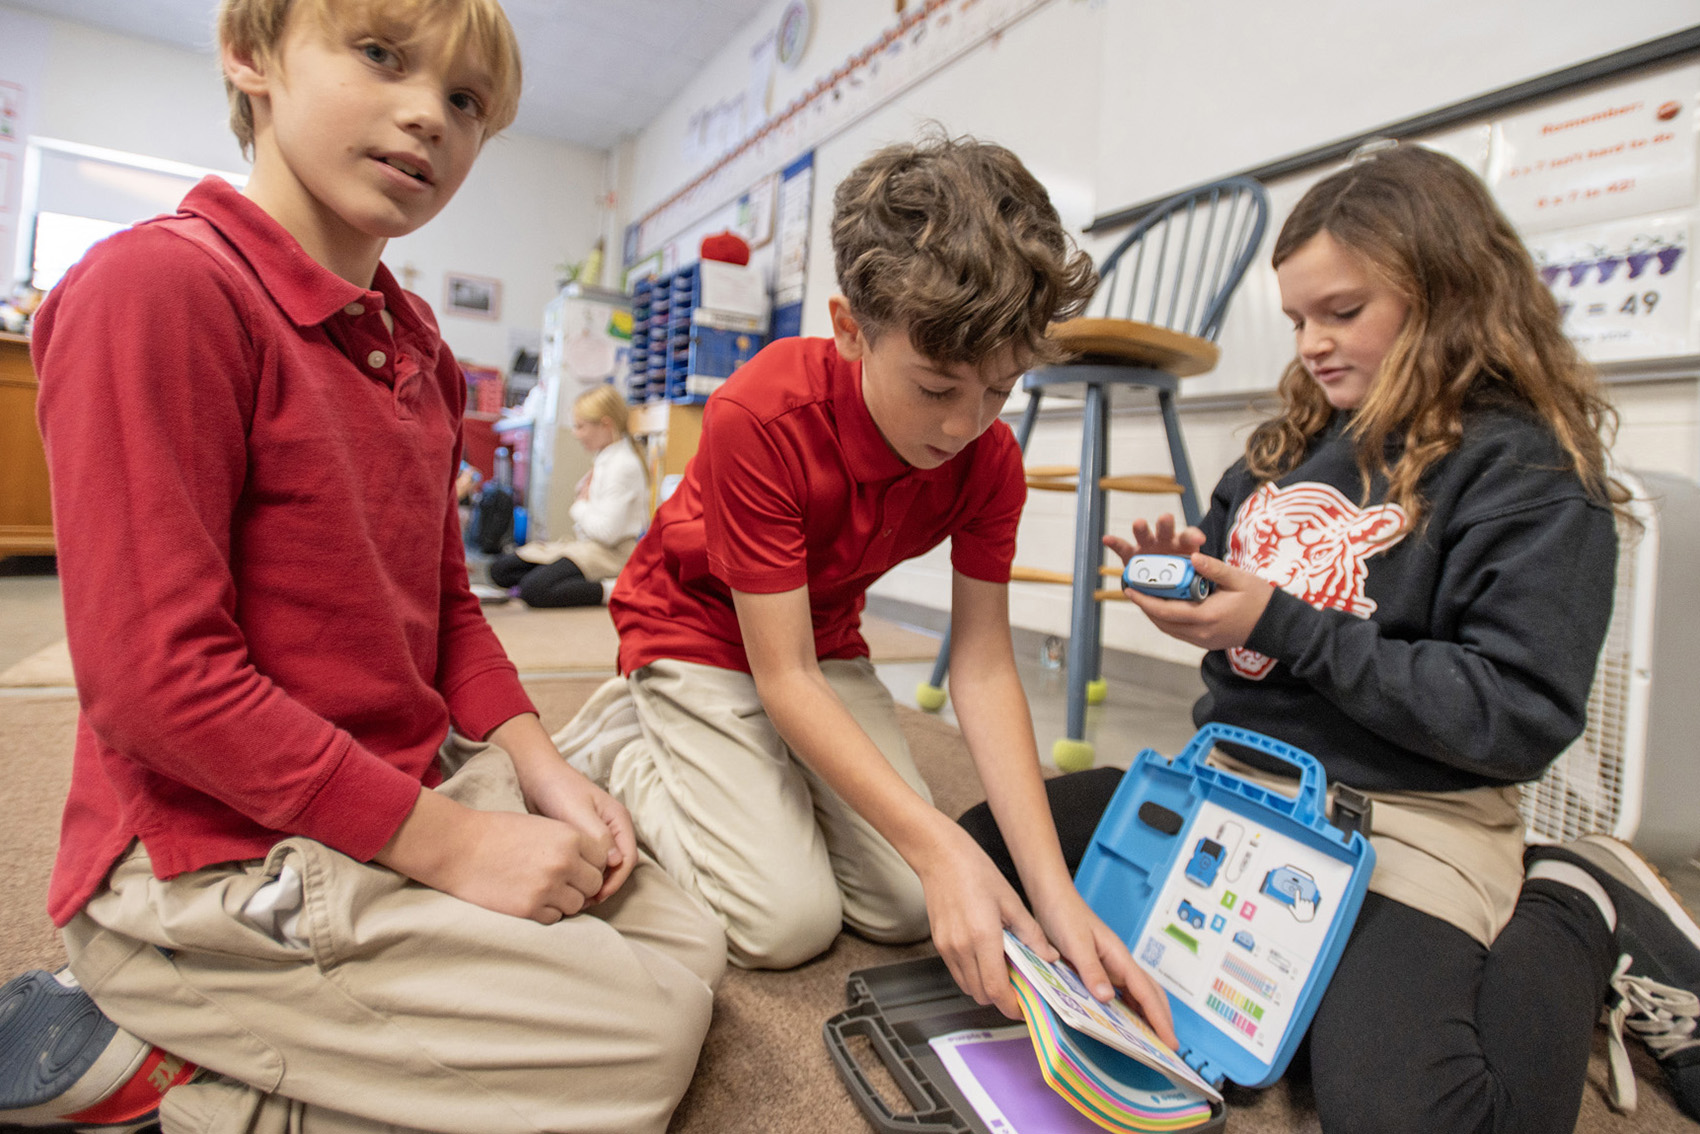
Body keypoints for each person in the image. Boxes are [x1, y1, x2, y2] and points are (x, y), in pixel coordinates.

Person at [0, 2, 724, 1132]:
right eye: (381, 57)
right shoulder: (160, 289)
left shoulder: (419, 348)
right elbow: (155, 683)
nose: (427, 113)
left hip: (388, 781)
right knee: (643, 1045)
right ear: (251, 57)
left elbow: (444, 608)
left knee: (687, 944)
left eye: (467, 101)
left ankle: (316, 1033)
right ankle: (169, 1062)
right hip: (209, 850)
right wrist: (458, 848)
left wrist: (536, 768)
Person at [960, 143, 1700, 1131]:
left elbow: (1513, 716)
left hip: (1402, 818)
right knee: (978, 866)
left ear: (1447, 298)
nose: (1310, 342)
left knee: (1424, 1116)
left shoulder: (1524, 475)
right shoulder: (1282, 451)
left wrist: (1278, 619)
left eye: (1340, 313)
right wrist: (1202, 587)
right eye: (1298, 318)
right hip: (1235, 787)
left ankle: (1574, 897)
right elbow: (1257, 648)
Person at [554, 133, 1177, 1040]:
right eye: (936, 388)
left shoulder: (987, 459)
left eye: (998, 392)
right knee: (783, 921)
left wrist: (1057, 901)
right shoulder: (760, 414)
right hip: (698, 629)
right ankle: (631, 747)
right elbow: (783, 678)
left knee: (904, 903)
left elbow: (985, 667)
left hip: (822, 639)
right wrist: (940, 841)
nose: (966, 426)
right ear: (851, 330)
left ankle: (757, 780)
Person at [488, 383, 648, 607]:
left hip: (611, 555)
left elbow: (608, 533)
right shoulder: (605, 459)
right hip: (586, 547)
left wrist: (580, 506)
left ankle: (617, 589)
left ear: (605, 425)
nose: (575, 433)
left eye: (580, 427)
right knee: (501, 569)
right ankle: (560, 580)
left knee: (534, 590)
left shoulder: (623, 465)